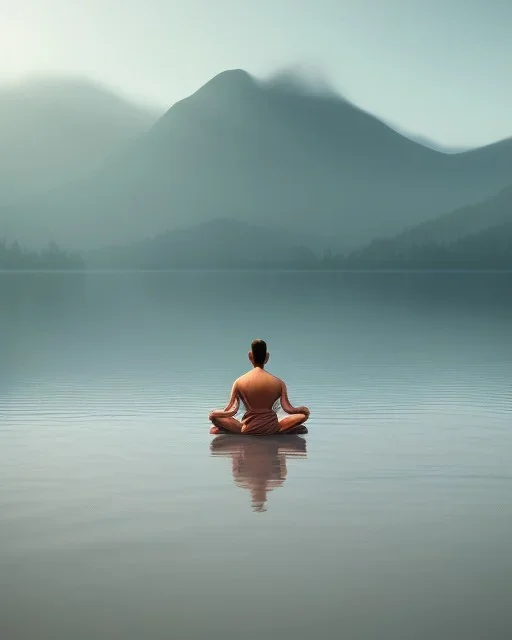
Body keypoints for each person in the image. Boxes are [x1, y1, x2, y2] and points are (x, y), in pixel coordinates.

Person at [208, 339, 310, 435]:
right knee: (302, 416)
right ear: (267, 357)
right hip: (272, 428)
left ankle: (227, 431)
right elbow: (289, 409)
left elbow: (231, 411)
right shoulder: (279, 383)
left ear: (250, 356)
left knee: (214, 417)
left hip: (246, 429)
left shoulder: (239, 381)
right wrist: (303, 410)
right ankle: (285, 431)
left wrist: (214, 414)